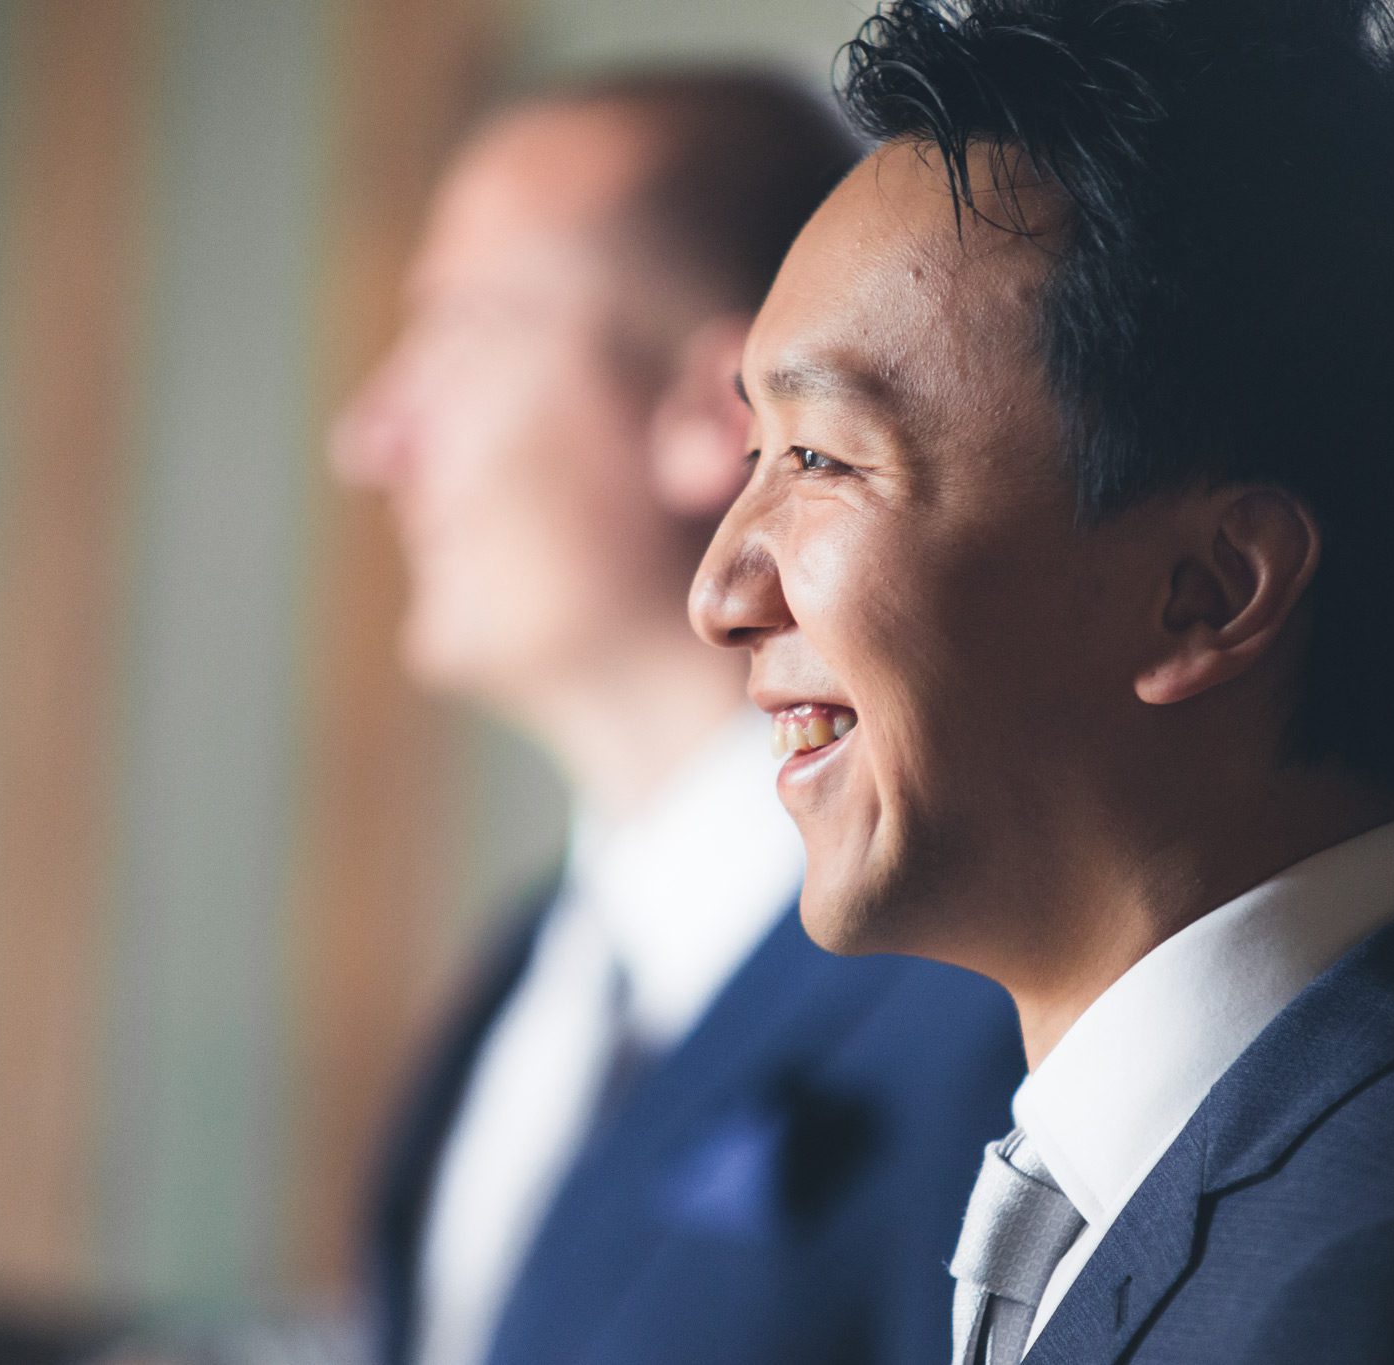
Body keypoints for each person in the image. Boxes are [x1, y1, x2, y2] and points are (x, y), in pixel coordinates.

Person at [688, 4, 1394, 1363]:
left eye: (821, 459)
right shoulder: (1225, 1165)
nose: (721, 591)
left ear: (1211, 593)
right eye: (753, 450)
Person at [331, 70, 1022, 1365]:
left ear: (715, 412)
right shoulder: (521, 978)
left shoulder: (990, 1004)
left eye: (458, 329)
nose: (371, 435)